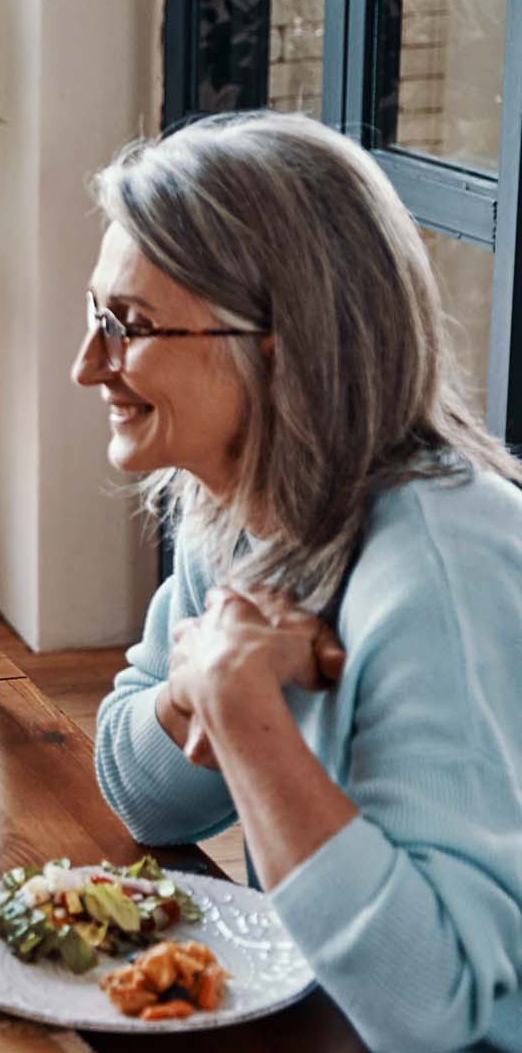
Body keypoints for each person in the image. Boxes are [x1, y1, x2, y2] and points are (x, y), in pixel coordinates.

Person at [79, 112, 522, 1050]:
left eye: (132, 327)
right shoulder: (237, 503)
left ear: (275, 342)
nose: (90, 366)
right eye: (97, 318)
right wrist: (194, 687)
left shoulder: (441, 572)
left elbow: (437, 1010)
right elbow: (141, 795)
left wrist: (243, 715)